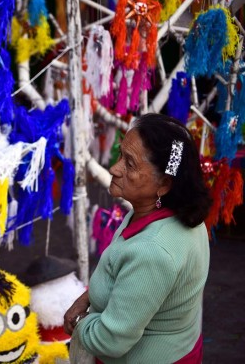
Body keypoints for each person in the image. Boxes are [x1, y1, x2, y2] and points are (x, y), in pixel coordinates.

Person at [63, 113, 211, 363]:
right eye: (120, 155)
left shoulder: (153, 251)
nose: (114, 168)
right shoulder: (172, 213)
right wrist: (88, 296)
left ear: (163, 184)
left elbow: (110, 341)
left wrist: (80, 323)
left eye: (129, 164)